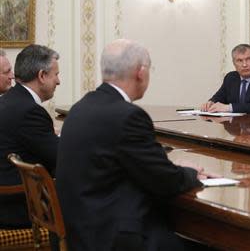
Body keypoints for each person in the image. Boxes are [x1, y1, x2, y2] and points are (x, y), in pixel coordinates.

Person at [56, 39, 211, 251]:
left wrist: (167, 167)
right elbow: (164, 181)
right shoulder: (128, 116)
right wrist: (190, 173)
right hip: (116, 237)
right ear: (141, 72)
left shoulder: (80, 107)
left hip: (82, 229)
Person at [0, 44, 61, 228]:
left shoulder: (9, 101)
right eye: (56, 74)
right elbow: (61, 159)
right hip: (19, 209)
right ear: (42, 76)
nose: (58, 81)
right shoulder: (29, 111)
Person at [201, 44, 250, 114]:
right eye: (240, 60)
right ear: (234, 63)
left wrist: (229, 107)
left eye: (248, 59)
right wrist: (211, 102)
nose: (244, 64)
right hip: (235, 126)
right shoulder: (230, 78)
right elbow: (220, 96)